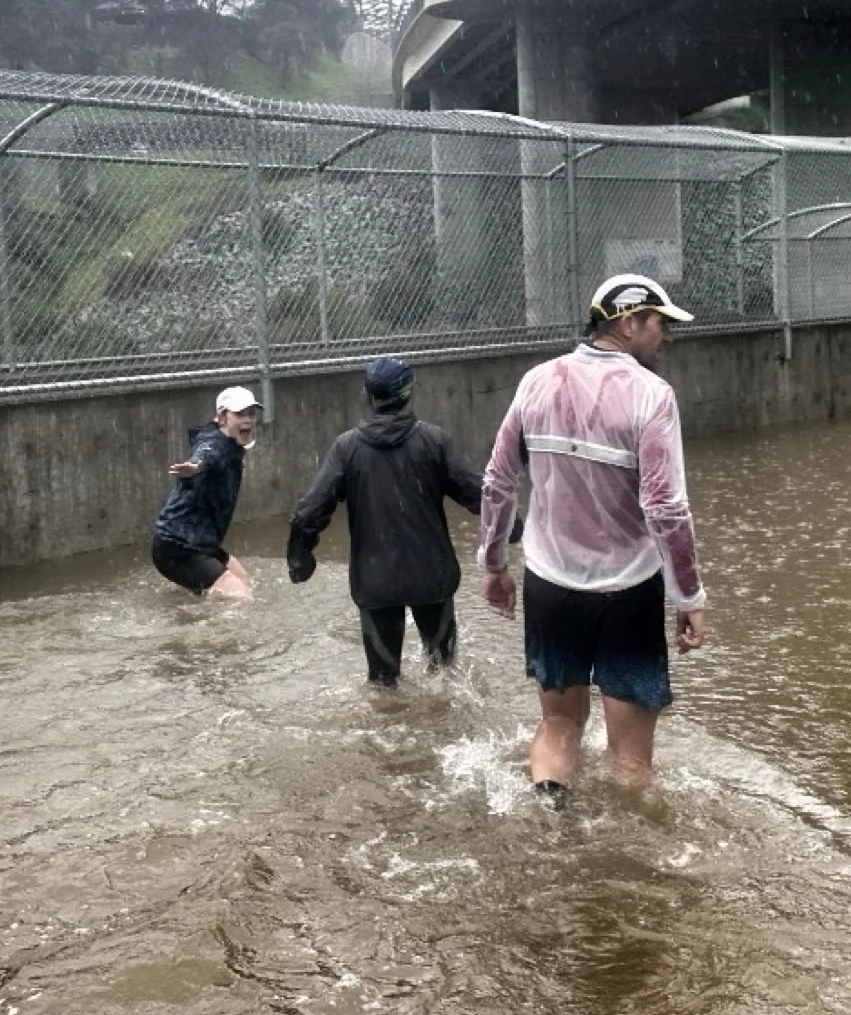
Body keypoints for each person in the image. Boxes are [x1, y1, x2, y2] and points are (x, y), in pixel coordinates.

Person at [477, 273, 707, 800]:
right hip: (627, 589)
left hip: (551, 584)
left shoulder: (537, 380)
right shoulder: (652, 395)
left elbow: (497, 480)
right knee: (630, 755)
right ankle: (624, 866)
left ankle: (548, 814)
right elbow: (666, 508)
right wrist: (688, 596)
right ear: (629, 322)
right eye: (659, 325)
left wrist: (494, 565)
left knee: (558, 723)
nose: (665, 337)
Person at [288, 356, 514, 686]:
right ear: (409, 394)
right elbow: (479, 493)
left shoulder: (347, 448)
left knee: (382, 684)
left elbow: (309, 511)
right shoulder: (434, 441)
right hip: (432, 577)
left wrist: (300, 556)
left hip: (376, 582)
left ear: (368, 396)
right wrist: (514, 528)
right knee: (445, 674)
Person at [151, 385, 261, 601]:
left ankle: (185, 606)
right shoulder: (215, 443)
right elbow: (206, 456)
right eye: (239, 414)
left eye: (251, 413)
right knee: (242, 597)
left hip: (201, 543)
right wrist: (195, 467)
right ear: (222, 418)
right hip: (177, 547)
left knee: (244, 580)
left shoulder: (231, 445)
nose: (247, 419)